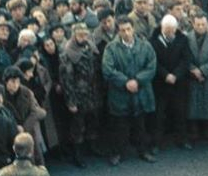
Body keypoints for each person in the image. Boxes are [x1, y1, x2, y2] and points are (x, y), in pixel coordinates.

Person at [101, 16, 158, 165]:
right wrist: (125, 82)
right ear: (118, 32)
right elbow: (107, 69)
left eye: (128, 29)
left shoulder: (145, 46)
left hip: (140, 92)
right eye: (122, 30)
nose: (126, 33)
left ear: (133, 29)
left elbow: (151, 66)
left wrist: (137, 80)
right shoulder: (111, 48)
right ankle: (116, 153)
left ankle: (143, 151)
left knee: (141, 125)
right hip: (120, 94)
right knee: (120, 126)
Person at [59, 22, 103, 167]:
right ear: (74, 35)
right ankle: (78, 155)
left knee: (92, 122)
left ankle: (92, 147)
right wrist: (71, 101)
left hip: (92, 92)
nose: (83, 37)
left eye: (85, 34)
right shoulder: (68, 53)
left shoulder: (90, 47)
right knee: (78, 126)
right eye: (80, 35)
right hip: (78, 95)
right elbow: (67, 80)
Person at [150, 14, 193, 150]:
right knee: (159, 115)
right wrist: (165, 75)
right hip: (160, 83)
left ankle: (182, 139)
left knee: (180, 113)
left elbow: (186, 59)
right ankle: (156, 142)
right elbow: (153, 61)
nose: (169, 33)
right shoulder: (153, 41)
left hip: (178, 83)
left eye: (172, 30)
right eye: (167, 30)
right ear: (162, 27)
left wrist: (176, 74)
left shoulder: (183, 39)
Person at [187, 11, 208, 140]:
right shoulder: (187, 38)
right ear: (193, 24)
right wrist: (193, 70)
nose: (200, 27)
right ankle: (194, 133)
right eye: (198, 24)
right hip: (192, 76)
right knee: (193, 105)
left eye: (203, 24)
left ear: (207, 24)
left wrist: (202, 71)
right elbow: (185, 57)